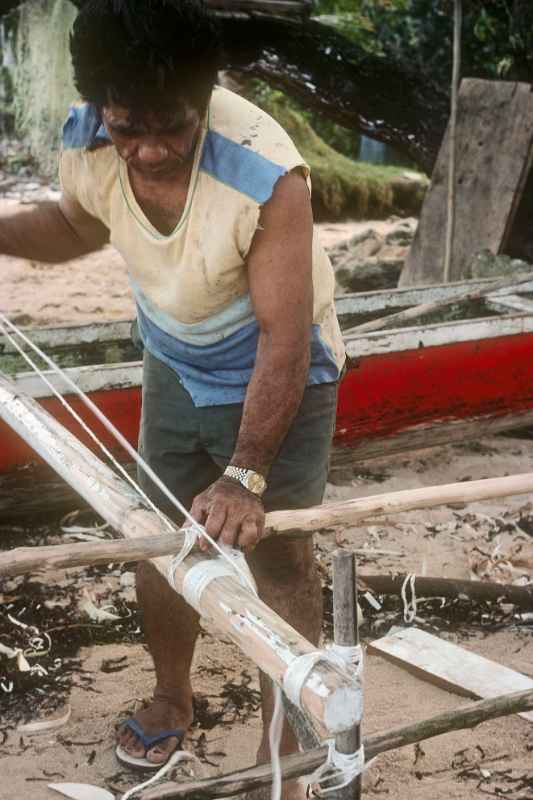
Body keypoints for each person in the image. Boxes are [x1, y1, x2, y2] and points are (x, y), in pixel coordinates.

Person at [0, 1, 345, 796]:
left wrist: (246, 474)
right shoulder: (86, 135)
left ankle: (283, 755)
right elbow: (73, 225)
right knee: (157, 535)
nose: (148, 150)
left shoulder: (265, 174)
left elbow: (284, 340)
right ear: (99, 110)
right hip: (173, 359)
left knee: (281, 557)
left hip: (275, 370)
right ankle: (171, 694)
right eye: (128, 128)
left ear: (206, 101)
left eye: (172, 127)